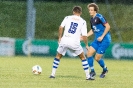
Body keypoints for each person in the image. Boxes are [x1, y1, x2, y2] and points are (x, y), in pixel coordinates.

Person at [49, 6, 94, 80]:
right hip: (74, 42)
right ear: (80, 13)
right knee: (83, 57)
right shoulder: (82, 21)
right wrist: (86, 45)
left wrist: (60, 37)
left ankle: (52, 75)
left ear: (73, 12)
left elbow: (61, 27)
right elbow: (84, 35)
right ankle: (88, 76)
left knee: (58, 56)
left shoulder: (67, 18)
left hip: (65, 39)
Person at [86, 3, 111, 78]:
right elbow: (93, 30)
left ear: (95, 11)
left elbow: (108, 26)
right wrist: (85, 36)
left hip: (105, 40)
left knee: (97, 58)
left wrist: (102, 36)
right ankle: (92, 71)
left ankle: (105, 69)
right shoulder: (92, 19)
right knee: (89, 53)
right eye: (89, 10)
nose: (90, 11)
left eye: (91, 10)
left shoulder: (100, 17)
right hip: (97, 41)